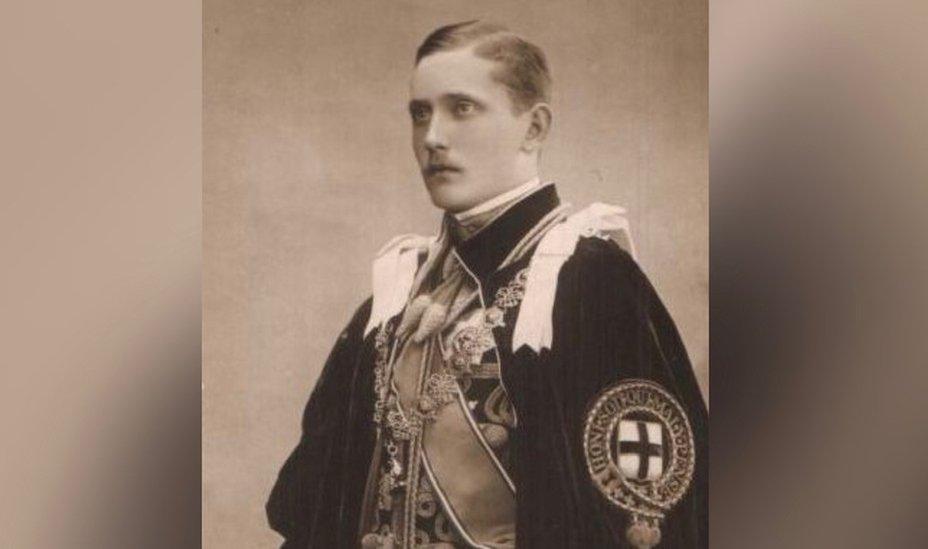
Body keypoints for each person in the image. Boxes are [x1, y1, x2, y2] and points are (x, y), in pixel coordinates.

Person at [266, 20, 708, 549]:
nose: (433, 137)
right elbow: (317, 510)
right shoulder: (398, 294)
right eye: (420, 113)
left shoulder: (587, 280)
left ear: (535, 128)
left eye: (462, 108)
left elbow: (649, 509)